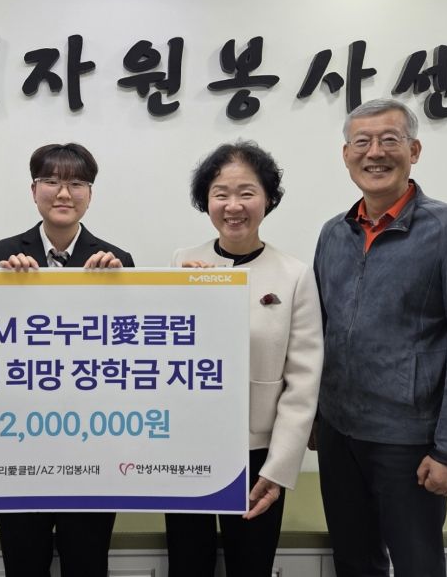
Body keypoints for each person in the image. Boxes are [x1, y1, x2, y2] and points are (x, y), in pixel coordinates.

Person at [313, 98, 447, 577]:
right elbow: (319, 332)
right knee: (354, 563)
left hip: (409, 442)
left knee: (418, 566)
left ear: (414, 150)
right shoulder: (334, 233)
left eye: (389, 140)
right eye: (362, 142)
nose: (375, 152)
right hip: (338, 434)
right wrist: (313, 417)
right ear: (346, 154)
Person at [165, 141, 324, 576]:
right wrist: (181, 297)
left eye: (247, 193)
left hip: (258, 453)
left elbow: (303, 382)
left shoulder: (294, 274)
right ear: (206, 201)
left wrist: (278, 469)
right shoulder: (182, 262)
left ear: (268, 198)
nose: (233, 206)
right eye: (221, 193)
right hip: (189, 446)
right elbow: (165, 353)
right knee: (187, 564)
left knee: (251, 566)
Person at [0, 142, 134, 577]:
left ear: (90, 194)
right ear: (34, 190)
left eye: (76, 183)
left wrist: (116, 292)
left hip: (93, 452)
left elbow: (129, 357)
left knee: (87, 564)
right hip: (17, 448)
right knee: (22, 564)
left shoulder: (117, 262)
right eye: (51, 181)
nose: (64, 193)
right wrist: (6, 292)